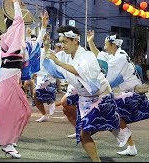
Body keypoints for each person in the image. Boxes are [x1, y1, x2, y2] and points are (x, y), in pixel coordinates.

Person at [42, 25, 120, 162]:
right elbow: (49, 61)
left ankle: (126, 141)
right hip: (85, 98)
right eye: (61, 42)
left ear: (75, 41)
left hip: (102, 98)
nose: (63, 46)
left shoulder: (87, 55)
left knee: (113, 125)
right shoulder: (65, 56)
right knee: (83, 133)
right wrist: (46, 46)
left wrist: (58, 62)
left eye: (65, 42)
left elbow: (81, 71)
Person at [87, 30, 149, 156]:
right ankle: (130, 146)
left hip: (133, 96)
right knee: (110, 113)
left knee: (109, 110)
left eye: (106, 44)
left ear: (113, 45)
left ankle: (85, 133)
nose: (104, 47)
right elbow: (101, 56)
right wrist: (90, 42)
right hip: (132, 95)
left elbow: (108, 78)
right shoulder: (118, 55)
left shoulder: (119, 58)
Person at [0, 0, 31, 158]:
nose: (20, 26)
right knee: (11, 112)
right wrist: (15, 3)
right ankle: (7, 143)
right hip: (6, 79)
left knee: (24, 111)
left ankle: (10, 140)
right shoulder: (8, 38)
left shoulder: (18, 42)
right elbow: (19, 21)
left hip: (12, 78)